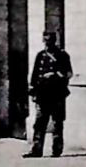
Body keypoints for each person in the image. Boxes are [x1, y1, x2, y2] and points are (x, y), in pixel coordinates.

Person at [25, 30, 73, 158]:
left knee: (57, 122)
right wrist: (32, 90)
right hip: (42, 94)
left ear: (54, 41)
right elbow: (35, 74)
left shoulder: (62, 55)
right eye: (45, 41)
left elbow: (68, 73)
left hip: (56, 93)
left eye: (49, 41)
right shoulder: (40, 56)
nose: (47, 44)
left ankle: (56, 150)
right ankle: (36, 150)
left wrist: (54, 75)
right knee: (39, 123)